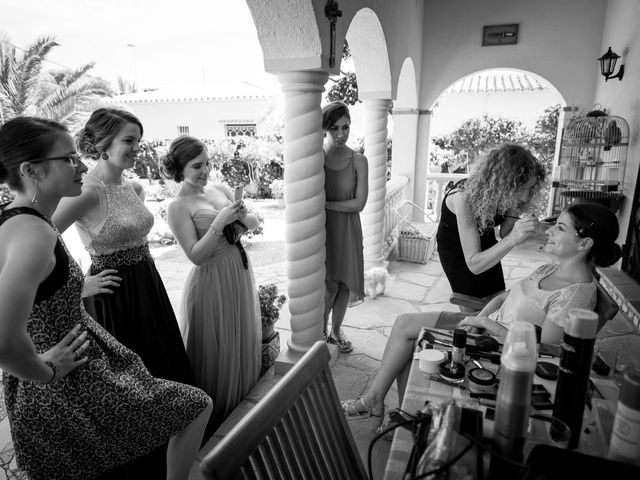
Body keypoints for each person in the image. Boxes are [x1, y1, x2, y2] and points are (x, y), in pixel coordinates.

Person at [0, 116, 212, 480]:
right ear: (30, 169)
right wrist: (45, 370)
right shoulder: (33, 232)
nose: (81, 163)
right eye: (67, 159)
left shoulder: (19, 219)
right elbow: (3, 339)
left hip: (63, 371)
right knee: (194, 406)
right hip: (64, 378)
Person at [341, 203, 621, 423]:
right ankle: (386, 405)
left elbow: (545, 346)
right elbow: (502, 297)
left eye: (560, 228)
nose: (548, 232)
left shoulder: (576, 294)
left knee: (411, 337)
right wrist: (479, 320)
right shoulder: (551, 269)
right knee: (405, 324)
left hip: (497, 349)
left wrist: (488, 326)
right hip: (483, 329)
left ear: (584, 244)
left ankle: (379, 404)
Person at [52, 108, 193, 385]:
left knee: (161, 364)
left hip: (148, 284)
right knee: (130, 379)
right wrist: (78, 284)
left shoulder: (134, 188)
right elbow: (43, 238)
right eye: (129, 141)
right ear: (104, 143)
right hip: (114, 297)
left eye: (138, 141)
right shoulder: (86, 192)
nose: (137, 148)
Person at [161, 136, 261, 433]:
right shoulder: (178, 207)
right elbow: (196, 256)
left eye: (207, 163)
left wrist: (243, 216)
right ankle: (214, 425)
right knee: (216, 350)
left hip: (238, 272)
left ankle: (243, 411)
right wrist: (219, 222)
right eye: (197, 166)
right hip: (211, 280)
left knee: (240, 337)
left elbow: (253, 224)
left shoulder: (219, 189)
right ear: (179, 168)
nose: (205, 171)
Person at [436, 144, 546, 303]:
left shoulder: (510, 196)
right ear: (503, 184)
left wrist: (537, 230)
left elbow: (505, 232)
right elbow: (475, 264)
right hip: (457, 251)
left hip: (486, 241)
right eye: (522, 188)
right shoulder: (463, 198)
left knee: (495, 302)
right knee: (472, 309)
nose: (525, 197)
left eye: (529, 189)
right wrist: (513, 239)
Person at [322, 101, 369, 353]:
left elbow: (359, 203)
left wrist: (327, 204)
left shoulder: (359, 160)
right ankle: (319, 332)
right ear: (324, 129)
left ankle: (336, 330)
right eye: (334, 128)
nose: (341, 134)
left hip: (348, 229)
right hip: (324, 231)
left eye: (346, 127)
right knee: (327, 285)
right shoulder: (316, 158)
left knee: (343, 284)